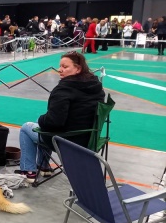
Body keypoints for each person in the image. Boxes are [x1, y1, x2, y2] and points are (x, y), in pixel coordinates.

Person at [15, 51, 105, 182]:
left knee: (26, 128)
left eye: (65, 67)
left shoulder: (64, 90)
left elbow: (54, 122)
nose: (59, 70)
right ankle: (44, 166)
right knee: (39, 124)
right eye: (60, 66)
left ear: (78, 69)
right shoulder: (96, 87)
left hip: (67, 142)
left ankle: (28, 170)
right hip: (89, 138)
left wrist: (42, 118)